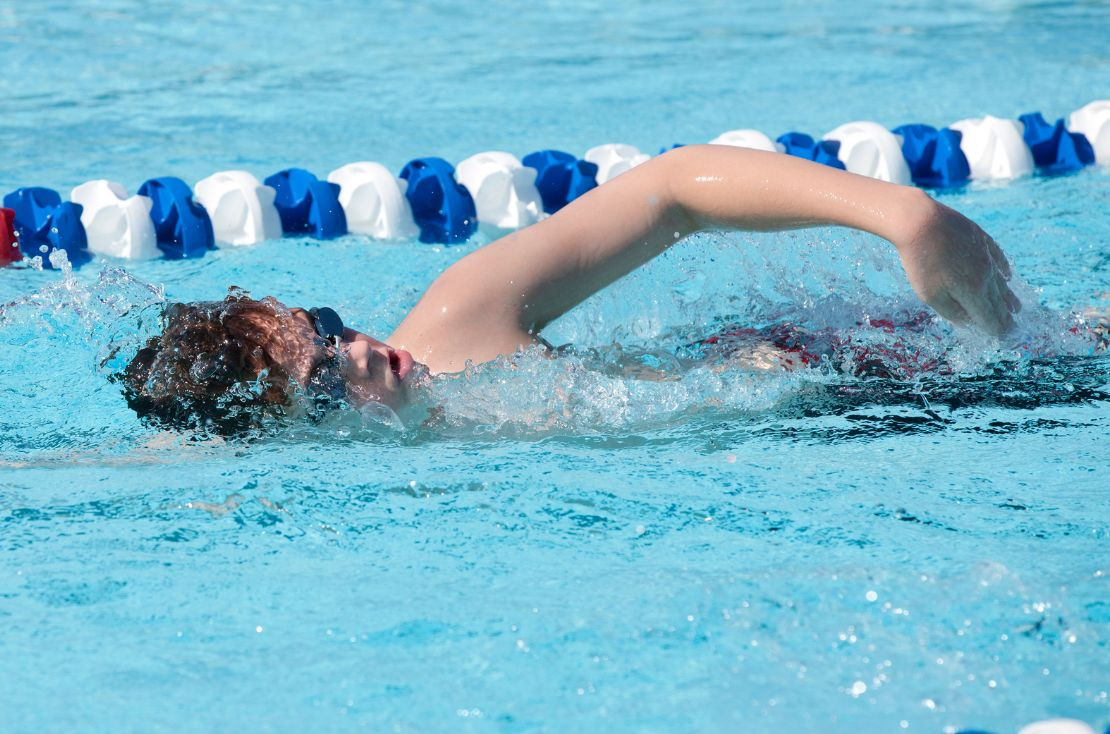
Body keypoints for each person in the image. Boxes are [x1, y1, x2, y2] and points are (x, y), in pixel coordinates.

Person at [121, 144, 1023, 431]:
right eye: (323, 377)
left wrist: (903, 216)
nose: (354, 346)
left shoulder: (455, 323)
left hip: (863, 373)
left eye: (326, 325)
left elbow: (670, 190)